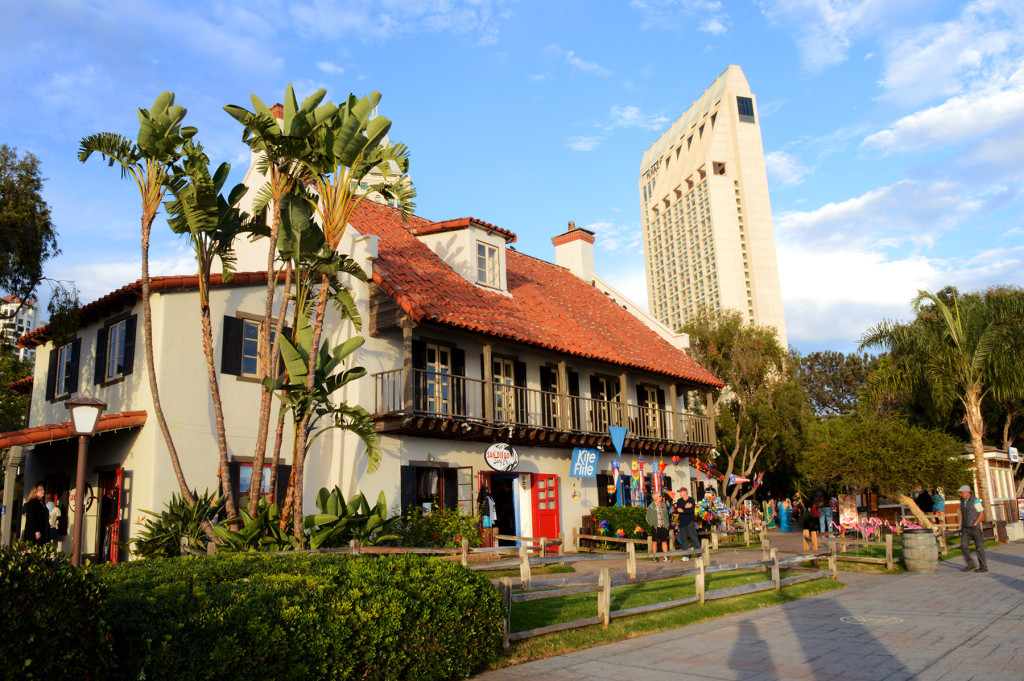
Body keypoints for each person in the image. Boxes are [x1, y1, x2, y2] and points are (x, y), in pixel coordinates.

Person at [958, 485, 987, 573]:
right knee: (963, 545)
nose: (960, 494)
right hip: (965, 528)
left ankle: (983, 566)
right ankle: (971, 564)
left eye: (962, 493)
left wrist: (975, 523)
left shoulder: (975, 501)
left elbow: (981, 514)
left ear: (967, 492)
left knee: (979, 547)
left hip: (974, 528)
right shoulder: (962, 501)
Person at [674, 487, 699, 559]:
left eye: (681, 492)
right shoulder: (679, 501)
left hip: (690, 521)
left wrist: (683, 510)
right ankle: (685, 555)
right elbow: (677, 510)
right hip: (682, 522)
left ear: (685, 492)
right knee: (683, 538)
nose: (680, 493)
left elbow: (691, 511)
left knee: (694, 537)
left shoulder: (691, 499)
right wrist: (684, 508)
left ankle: (699, 554)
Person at [646, 493, 671, 561]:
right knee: (655, 541)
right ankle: (655, 557)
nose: (661, 497)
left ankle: (665, 556)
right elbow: (648, 517)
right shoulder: (651, 507)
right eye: (660, 496)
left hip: (663, 526)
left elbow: (666, 515)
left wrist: (667, 524)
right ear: (656, 498)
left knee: (664, 541)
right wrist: (652, 524)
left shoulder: (663, 505)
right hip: (656, 527)